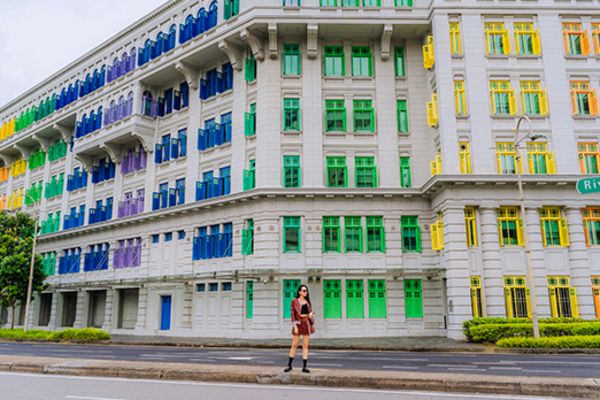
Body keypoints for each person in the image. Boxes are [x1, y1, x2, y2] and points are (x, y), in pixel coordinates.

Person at [284, 284, 315, 373]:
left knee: (305, 345)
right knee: (294, 344)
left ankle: (304, 367)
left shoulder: (308, 303)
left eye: (306, 291)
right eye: (304, 291)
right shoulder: (294, 301)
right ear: (299, 292)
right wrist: (295, 326)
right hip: (298, 323)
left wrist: (311, 315)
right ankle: (289, 365)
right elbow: (292, 314)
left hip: (306, 323)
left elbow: (310, 314)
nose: (306, 292)